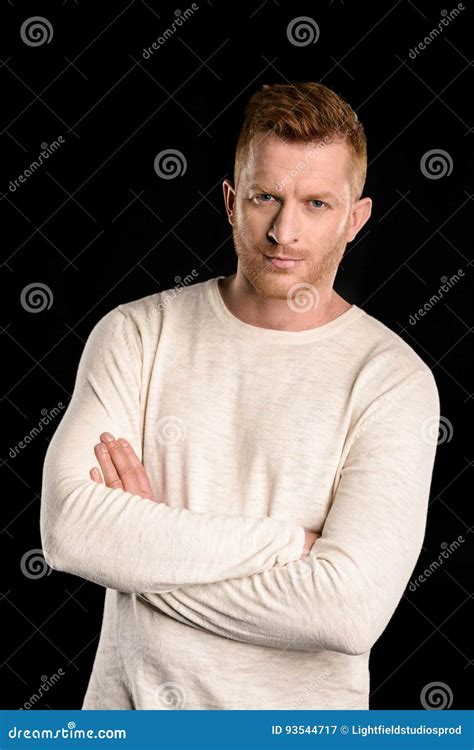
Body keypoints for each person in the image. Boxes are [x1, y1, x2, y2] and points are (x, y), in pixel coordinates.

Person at [40, 81, 440, 710]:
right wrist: (290, 547)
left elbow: (348, 610)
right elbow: (71, 531)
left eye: (315, 204)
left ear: (355, 219)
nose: (285, 231)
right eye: (265, 198)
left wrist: (142, 554)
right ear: (231, 201)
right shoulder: (137, 334)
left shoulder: (392, 378)